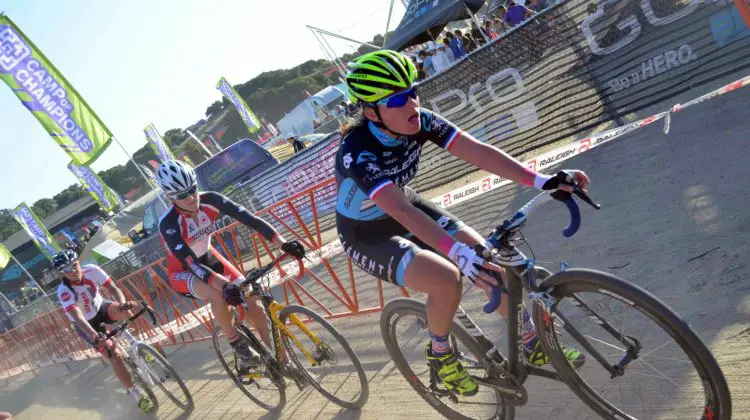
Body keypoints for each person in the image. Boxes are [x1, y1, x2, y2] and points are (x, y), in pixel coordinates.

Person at [337, 50, 587, 396]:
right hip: (365, 233)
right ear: (370, 112)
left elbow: (478, 151)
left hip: (406, 205)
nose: (411, 102)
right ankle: (439, 355)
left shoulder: (420, 120)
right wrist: (455, 252)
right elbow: (403, 214)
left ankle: (533, 342)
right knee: (446, 280)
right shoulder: (357, 150)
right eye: (397, 98)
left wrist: (540, 179)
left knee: (488, 264)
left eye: (413, 91)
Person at [155, 160, 305, 378]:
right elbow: (191, 263)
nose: (190, 197)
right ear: (170, 197)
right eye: (181, 195)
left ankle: (285, 363)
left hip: (208, 257)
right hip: (184, 271)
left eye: (192, 189)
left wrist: (282, 243)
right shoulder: (168, 222)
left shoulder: (211, 200)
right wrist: (225, 285)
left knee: (254, 305)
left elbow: (249, 219)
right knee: (218, 294)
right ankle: (237, 344)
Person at [53, 250, 154, 412]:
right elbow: (78, 317)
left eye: (74, 265)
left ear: (79, 261)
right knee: (114, 354)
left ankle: (137, 345)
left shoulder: (92, 270)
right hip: (87, 324)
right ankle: (136, 393)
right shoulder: (64, 291)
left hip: (101, 308)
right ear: (60, 273)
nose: (73, 271)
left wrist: (122, 303)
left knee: (127, 311)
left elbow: (113, 288)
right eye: (67, 269)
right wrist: (94, 335)